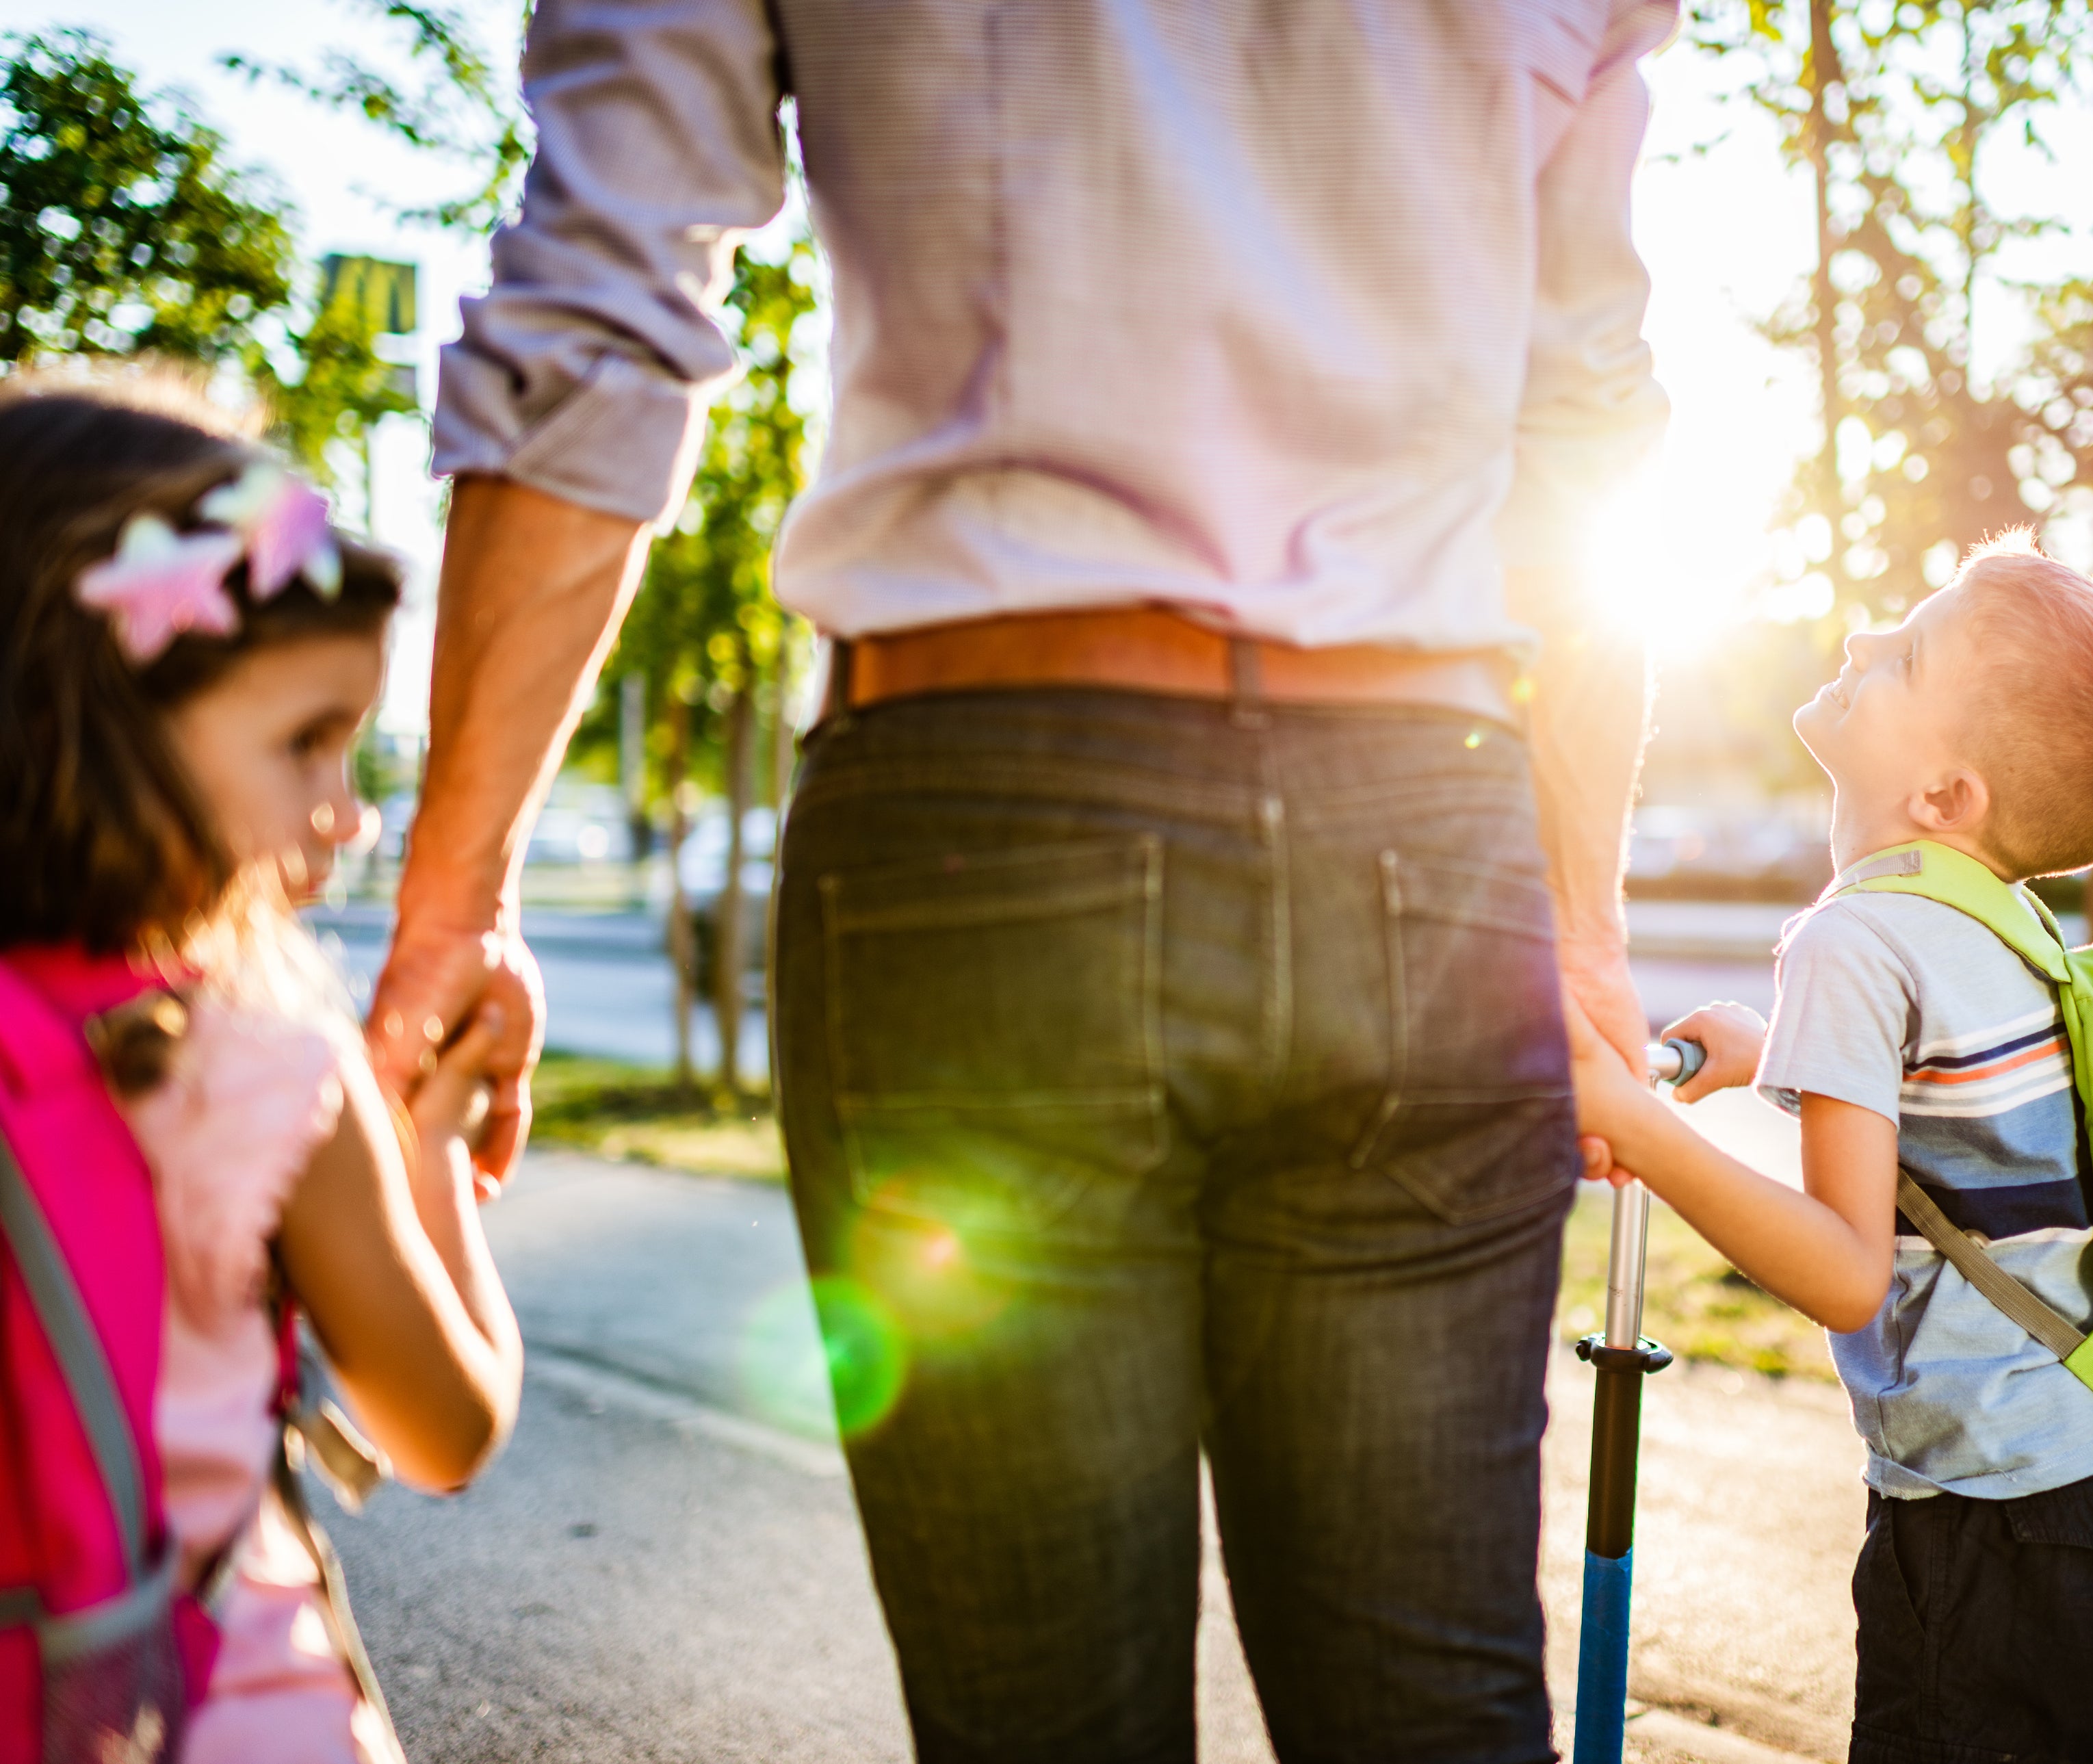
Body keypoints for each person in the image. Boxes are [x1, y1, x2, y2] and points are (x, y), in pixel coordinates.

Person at [376, 2, 1677, 1756]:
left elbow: (601, 302)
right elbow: (1581, 417)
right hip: (1426, 830)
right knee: (1433, 1708)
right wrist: (1577, 919)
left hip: (988, 823)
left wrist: (457, 888)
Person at [1565, 535, 2093, 1764]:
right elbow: (1963, 1145)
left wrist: (1640, 1120)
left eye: (1904, 654)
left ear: (1943, 795)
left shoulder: (1855, 937)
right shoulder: (2000, 917)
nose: (1861, 641)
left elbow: (1846, 1269)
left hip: (1987, 1520)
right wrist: (1775, 1059)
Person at [0, 382, 524, 1763]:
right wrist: (430, 1144)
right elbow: (446, 1426)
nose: (347, 809)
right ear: (104, 718)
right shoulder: (252, 1065)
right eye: (306, 740)